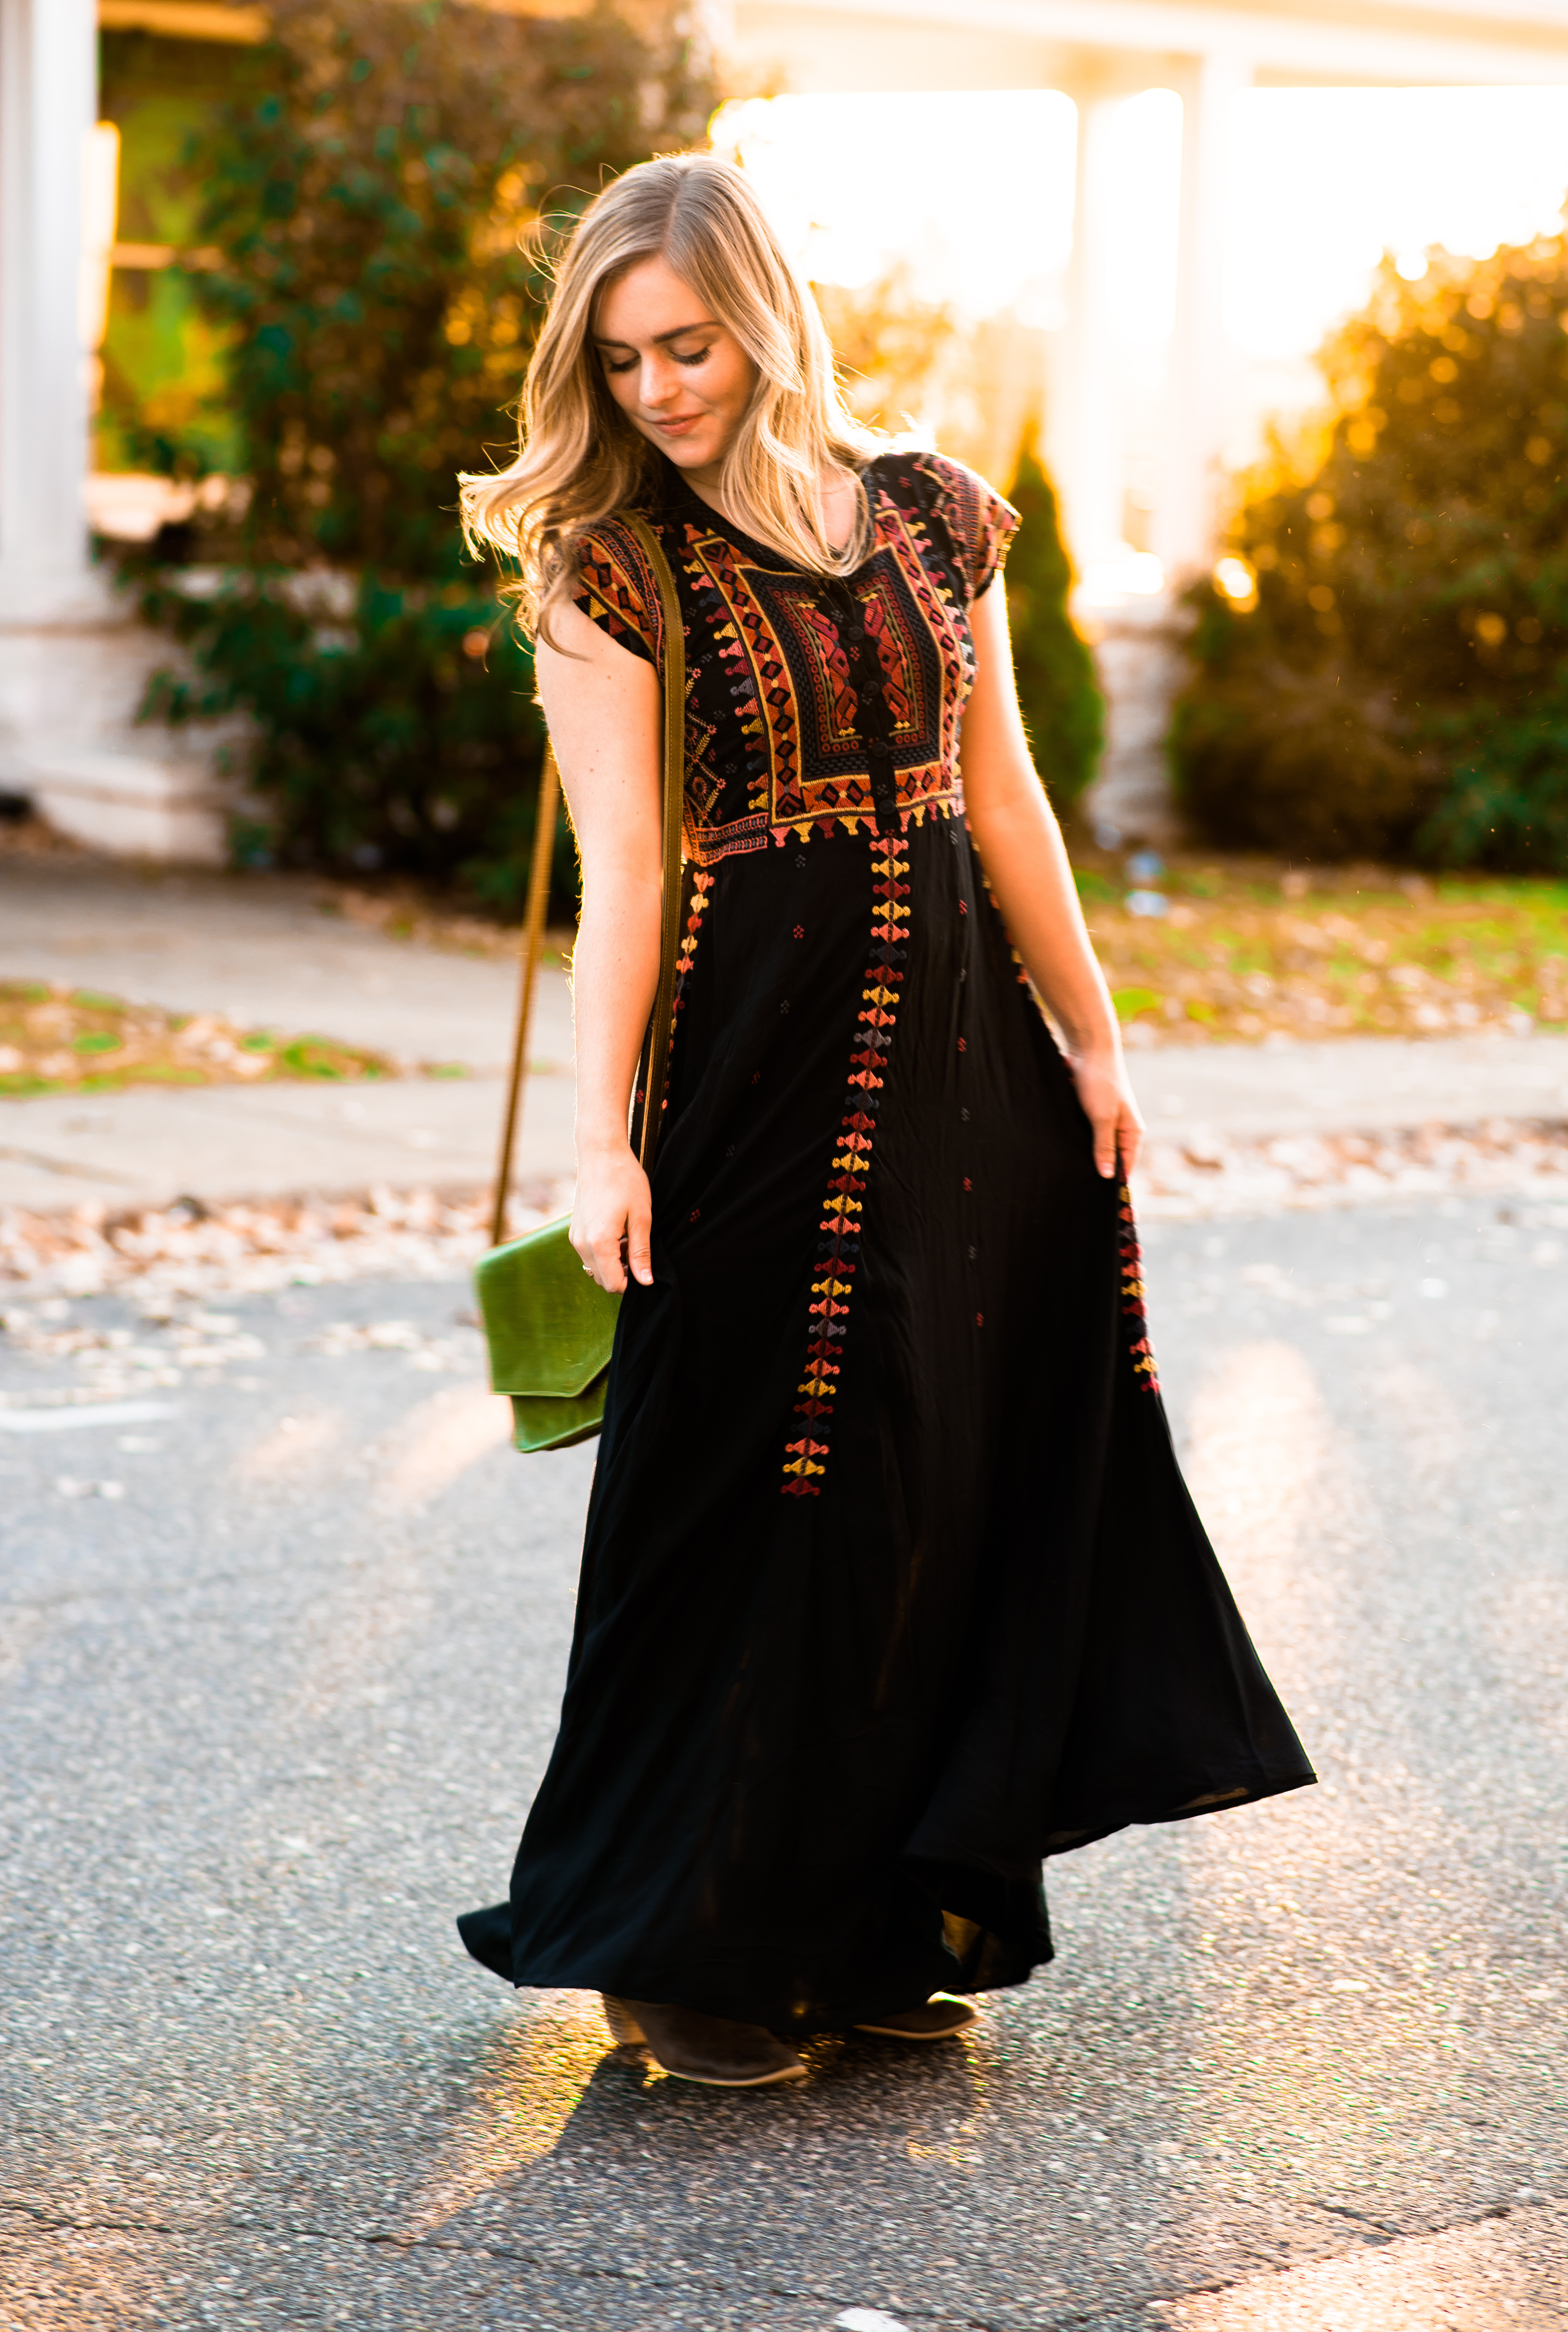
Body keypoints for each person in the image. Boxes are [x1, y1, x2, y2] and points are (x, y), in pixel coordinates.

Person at [456, 154, 1313, 2089]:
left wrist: (1091, 1040)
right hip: (751, 1065)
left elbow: (1001, 799)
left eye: (687, 341)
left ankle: (860, 1919)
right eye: (620, 358)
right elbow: (624, 870)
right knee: (734, 1493)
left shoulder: (936, 515)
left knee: (937, 1478)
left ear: (765, 313)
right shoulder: (607, 566)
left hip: (961, 1065)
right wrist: (599, 1142)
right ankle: (676, 1940)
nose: (660, 387)